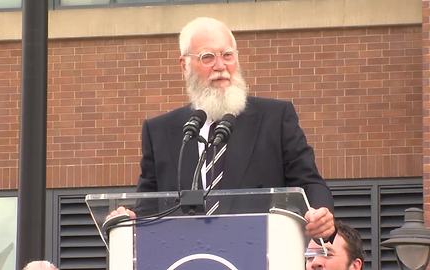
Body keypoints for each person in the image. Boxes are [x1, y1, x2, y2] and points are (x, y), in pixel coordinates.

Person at [112, 16, 335, 240]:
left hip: (260, 250)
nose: (221, 66)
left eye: (227, 55)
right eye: (207, 57)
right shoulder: (159, 131)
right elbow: (149, 204)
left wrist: (320, 212)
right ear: (184, 65)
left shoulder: (275, 118)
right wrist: (130, 218)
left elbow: (309, 182)